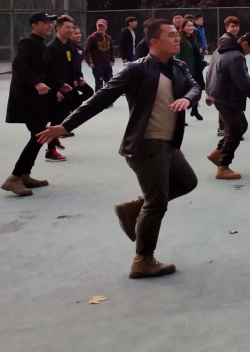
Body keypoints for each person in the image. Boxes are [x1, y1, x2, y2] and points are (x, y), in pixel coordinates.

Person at [36, 19, 200, 278]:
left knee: (187, 182)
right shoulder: (136, 69)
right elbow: (99, 99)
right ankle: (142, 260)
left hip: (169, 143)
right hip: (146, 145)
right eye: (171, 35)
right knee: (157, 202)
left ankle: (134, 207)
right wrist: (65, 126)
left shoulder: (178, 67)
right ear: (154, 42)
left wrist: (187, 99)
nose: (177, 37)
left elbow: (194, 87)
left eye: (176, 34)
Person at [2, 12, 59, 196]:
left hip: (37, 101)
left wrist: (60, 86)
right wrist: (36, 83)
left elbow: (47, 72)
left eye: (50, 22)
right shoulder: (27, 44)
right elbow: (18, 65)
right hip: (27, 101)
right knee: (39, 135)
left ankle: (25, 175)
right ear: (34, 25)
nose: (49, 25)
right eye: (45, 22)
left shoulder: (40, 44)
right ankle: (15, 177)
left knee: (39, 136)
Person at [205, 31, 250, 180]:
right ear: (245, 44)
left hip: (220, 95)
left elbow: (210, 72)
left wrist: (209, 93)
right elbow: (244, 83)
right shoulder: (236, 57)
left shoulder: (220, 49)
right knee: (234, 133)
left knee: (241, 126)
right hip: (228, 98)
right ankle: (223, 166)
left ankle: (218, 153)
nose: (249, 54)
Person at [45, 15, 82, 160]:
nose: (70, 30)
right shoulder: (51, 48)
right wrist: (56, 89)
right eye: (67, 27)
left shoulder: (69, 45)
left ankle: (55, 137)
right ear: (58, 28)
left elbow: (72, 64)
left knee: (69, 112)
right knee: (56, 118)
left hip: (68, 87)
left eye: (72, 27)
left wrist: (77, 78)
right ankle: (50, 151)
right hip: (58, 89)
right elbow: (48, 72)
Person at [84, 19, 115, 92]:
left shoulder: (109, 38)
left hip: (107, 64)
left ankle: (108, 97)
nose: (101, 28)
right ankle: (98, 98)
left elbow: (111, 50)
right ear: (96, 27)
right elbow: (86, 51)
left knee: (110, 83)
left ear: (106, 27)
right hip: (97, 65)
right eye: (99, 26)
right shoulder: (92, 38)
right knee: (99, 83)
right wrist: (89, 62)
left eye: (103, 26)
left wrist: (112, 60)